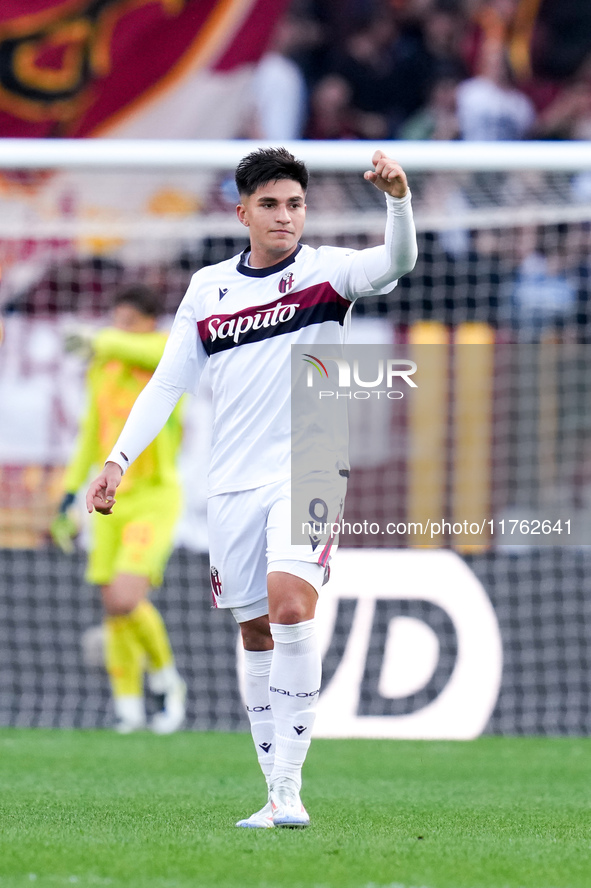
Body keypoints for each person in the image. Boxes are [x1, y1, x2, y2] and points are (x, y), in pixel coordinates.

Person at [85, 148, 417, 827]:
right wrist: (118, 457)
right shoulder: (208, 289)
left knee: (290, 603)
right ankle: (271, 789)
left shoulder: (327, 272)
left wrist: (397, 201)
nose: (284, 216)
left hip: (312, 463)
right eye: (269, 204)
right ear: (241, 212)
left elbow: (396, 263)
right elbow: (169, 382)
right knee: (255, 629)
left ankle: (289, 790)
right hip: (231, 481)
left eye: (294, 203)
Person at [52, 284, 187, 735]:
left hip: (153, 495)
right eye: (115, 321)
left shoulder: (166, 355)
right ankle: (128, 707)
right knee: (114, 607)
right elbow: (92, 431)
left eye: (128, 323)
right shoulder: (104, 364)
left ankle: (168, 683)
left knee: (128, 597)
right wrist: (70, 492)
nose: (118, 331)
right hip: (109, 497)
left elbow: (147, 352)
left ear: (149, 323)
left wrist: (96, 338)